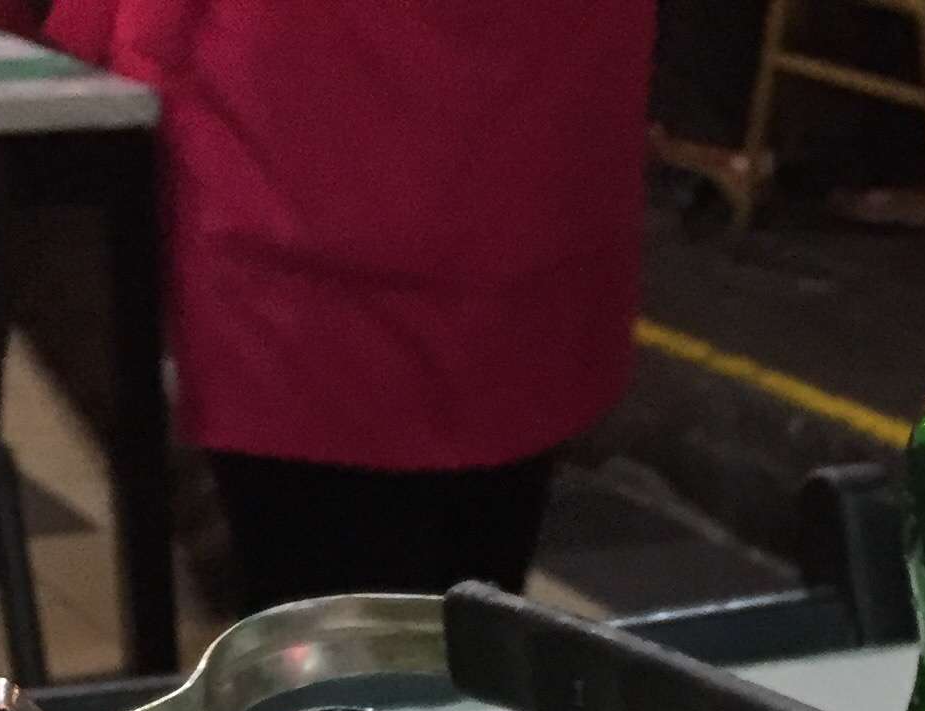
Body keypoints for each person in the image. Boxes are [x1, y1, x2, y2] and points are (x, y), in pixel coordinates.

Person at [43, 0, 655, 613]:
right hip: (531, 195)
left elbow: (139, 41)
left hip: (299, 220)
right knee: (476, 621)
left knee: (326, 638)